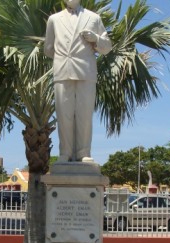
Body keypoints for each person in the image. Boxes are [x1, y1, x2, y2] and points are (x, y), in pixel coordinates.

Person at [44, 0, 112, 163]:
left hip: (86, 71)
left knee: (85, 114)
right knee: (63, 115)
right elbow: (48, 48)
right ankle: (65, 153)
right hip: (62, 71)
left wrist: (95, 38)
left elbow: (107, 47)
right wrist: (64, 58)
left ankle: (84, 152)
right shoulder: (54, 19)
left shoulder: (93, 18)